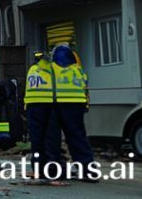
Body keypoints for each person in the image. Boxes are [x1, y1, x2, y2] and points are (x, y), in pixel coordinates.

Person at [24, 45, 94, 177]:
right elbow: (85, 89)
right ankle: (88, 170)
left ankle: (48, 170)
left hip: (46, 104)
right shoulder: (77, 70)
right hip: (73, 104)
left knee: (45, 139)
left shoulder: (40, 69)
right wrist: (85, 105)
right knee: (78, 138)